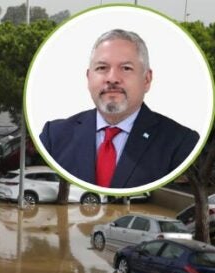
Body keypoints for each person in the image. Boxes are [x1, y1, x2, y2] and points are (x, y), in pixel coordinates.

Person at [39, 29, 199, 189]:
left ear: (147, 79)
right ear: (88, 78)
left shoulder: (181, 143)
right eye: (102, 68)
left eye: (126, 68)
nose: (112, 79)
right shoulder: (54, 136)